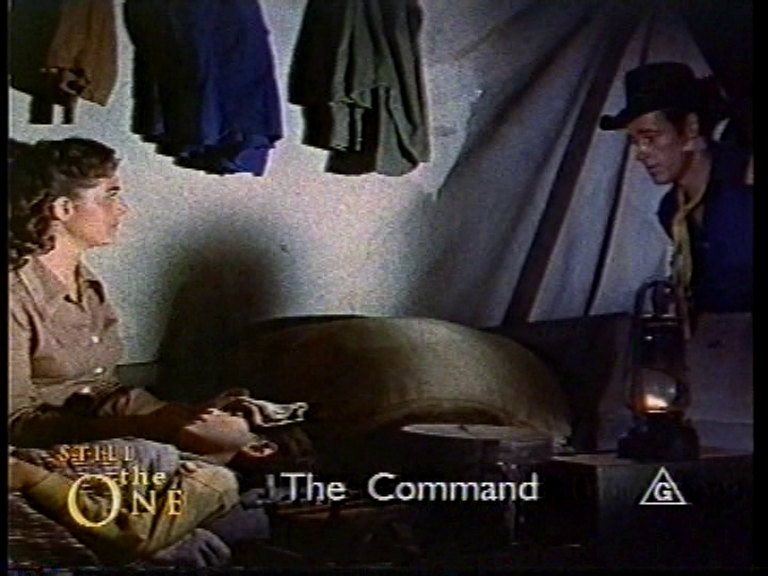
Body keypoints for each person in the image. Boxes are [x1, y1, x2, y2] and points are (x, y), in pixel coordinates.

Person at [8, 137, 309, 459]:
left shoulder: (87, 284)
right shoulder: (15, 297)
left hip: (112, 434)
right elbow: (15, 424)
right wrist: (156, 429)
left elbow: (104, 390)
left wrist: (191, 415)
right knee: (218, 472)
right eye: (110, 196)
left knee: (275, 443)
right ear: (63, 209)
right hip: (48, 450)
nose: (123, 209)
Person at [599, 62, 753, 321]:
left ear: (690, 128)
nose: (640, 154)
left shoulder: (745, 180)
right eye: (635, 142)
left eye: (650, 138)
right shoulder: (671, 211)